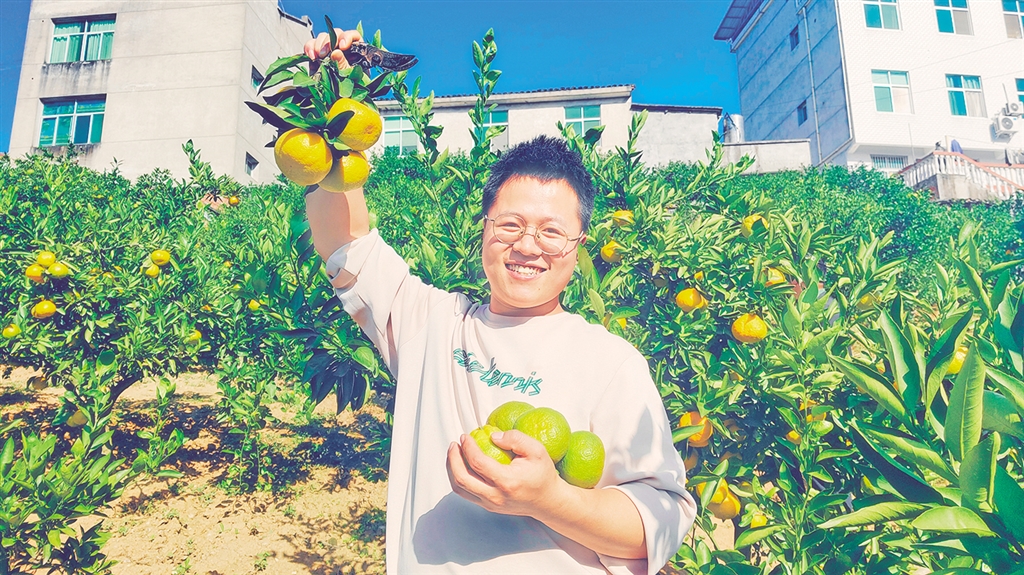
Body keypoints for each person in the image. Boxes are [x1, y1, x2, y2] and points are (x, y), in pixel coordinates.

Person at [303, 28, 696, 575]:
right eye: (509, 224)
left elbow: (661, 521)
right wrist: (331, 105)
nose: (528, 245)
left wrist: (549, 500)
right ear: (484, 230)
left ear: (578, 246)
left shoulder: (611, 362)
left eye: (552, 231)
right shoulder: (431, 323)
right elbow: (344, 244)